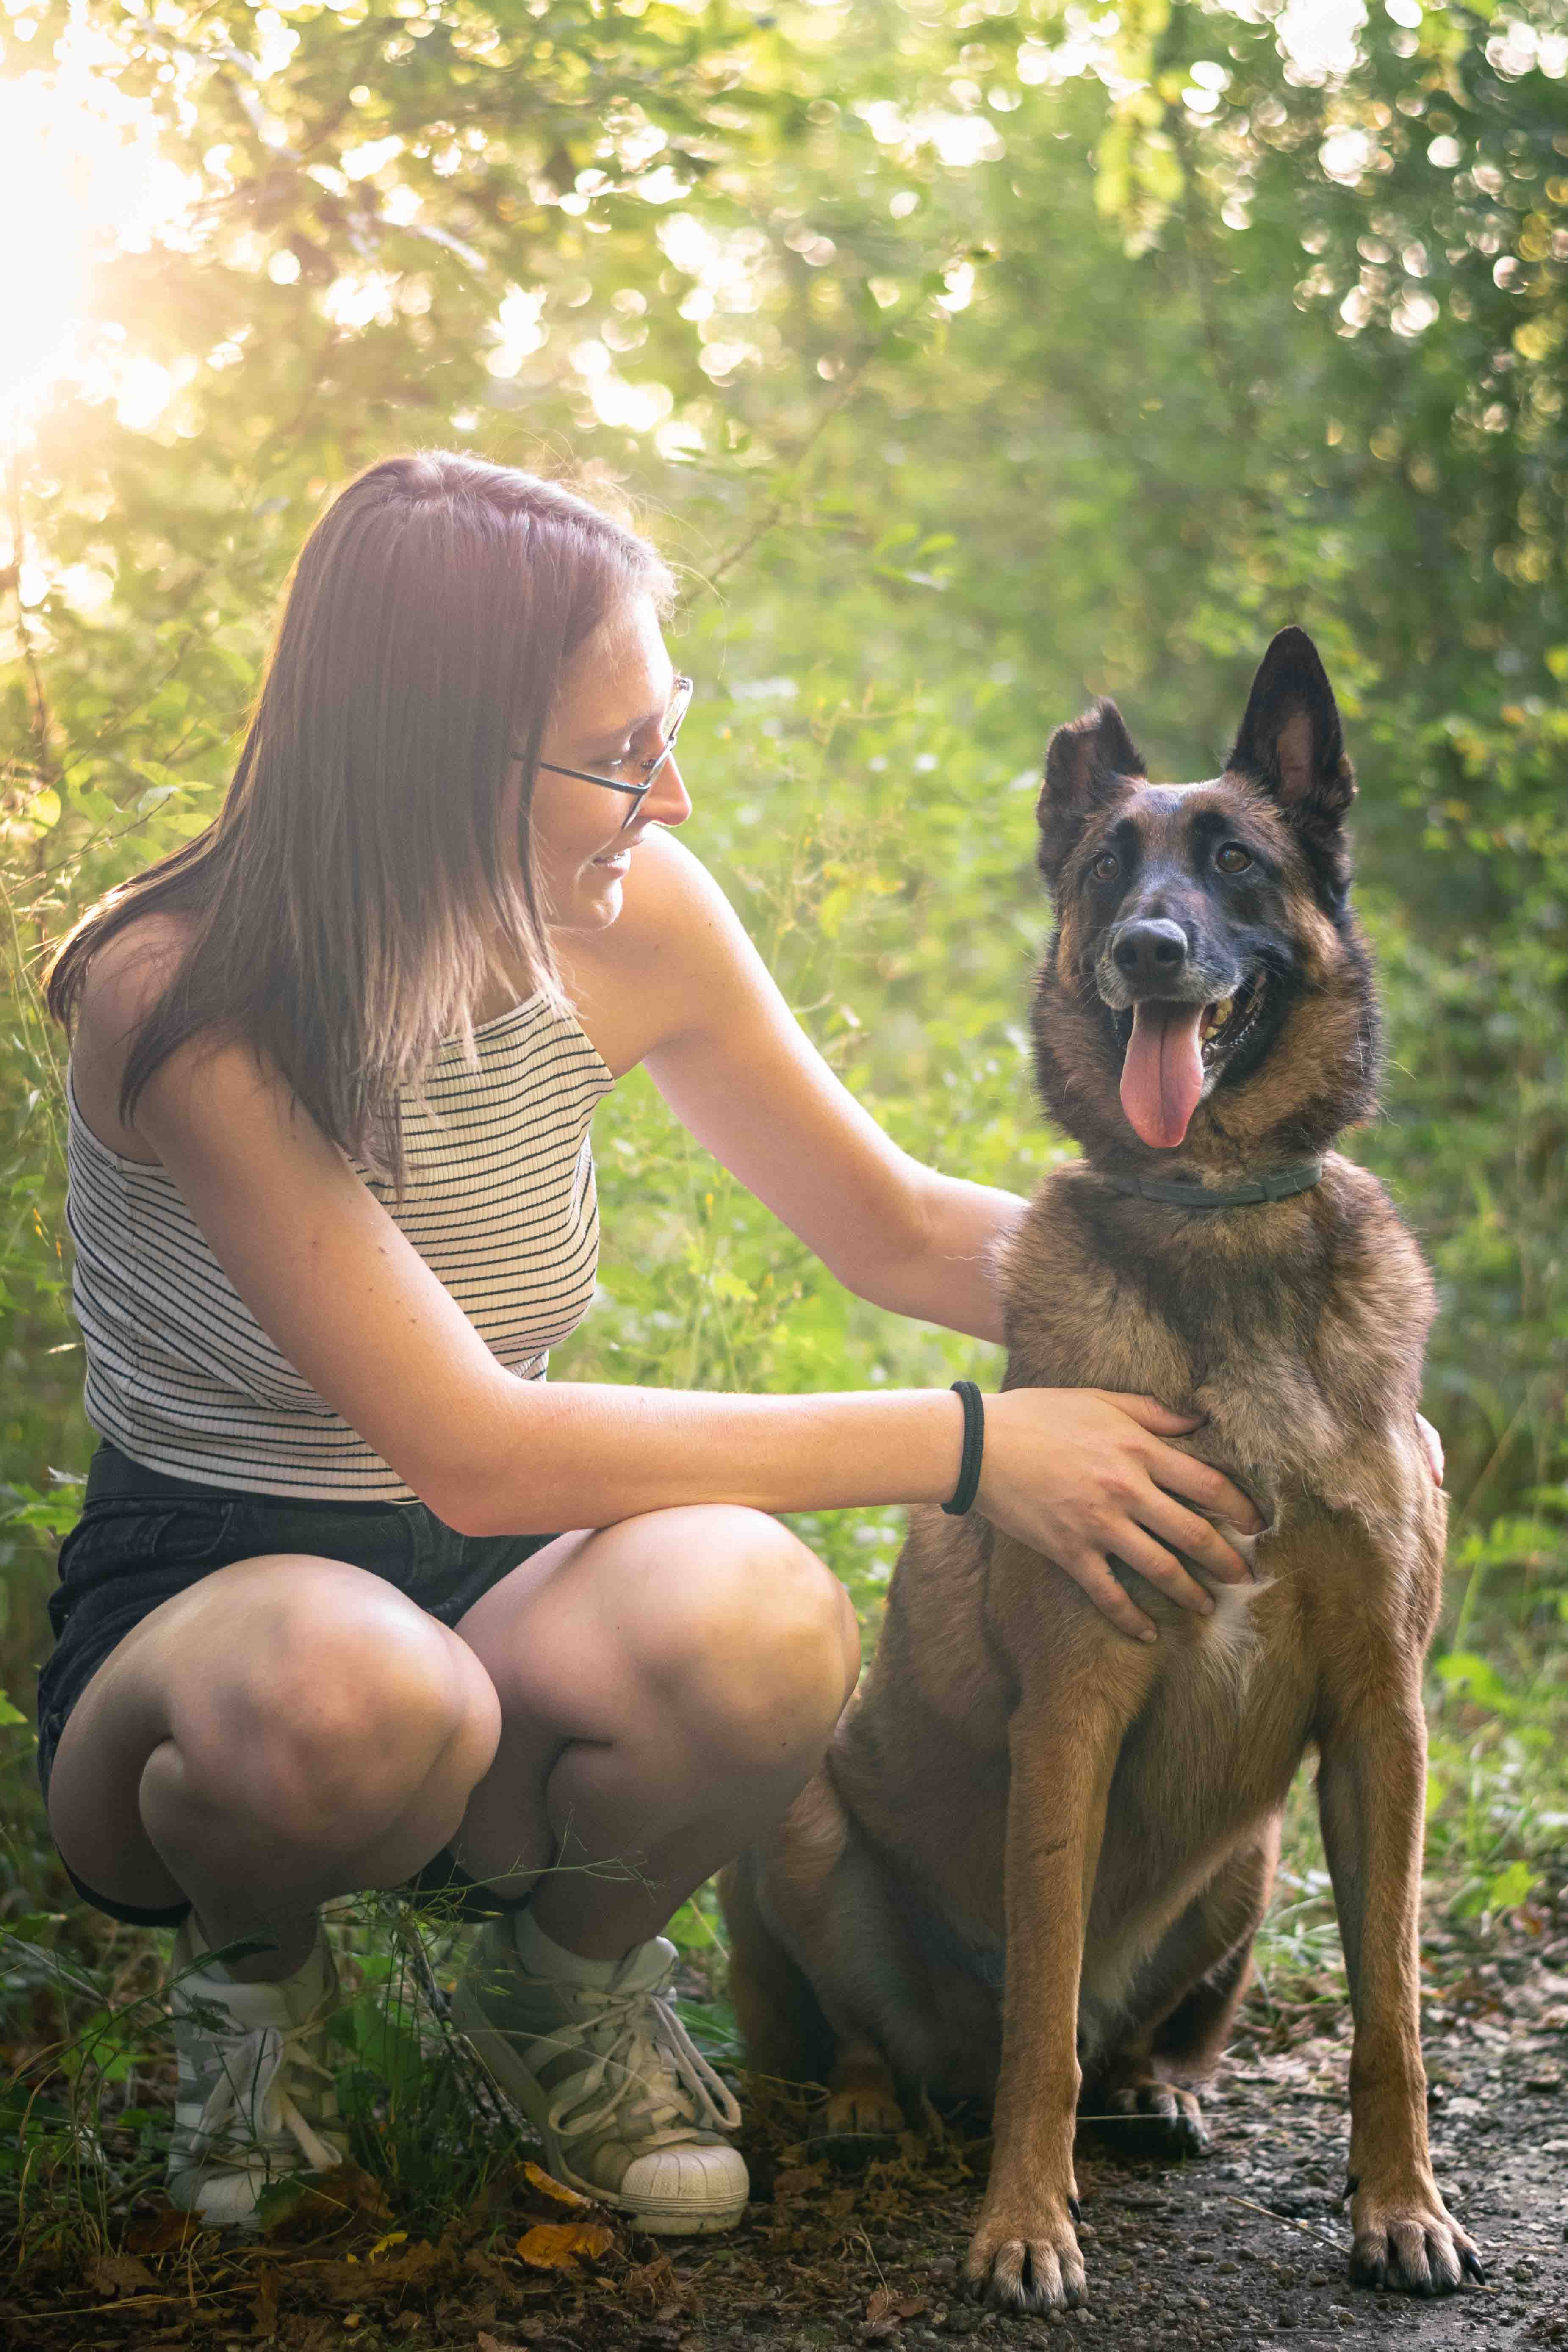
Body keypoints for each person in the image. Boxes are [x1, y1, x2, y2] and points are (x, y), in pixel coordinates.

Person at [36, 451, 1276, 2237]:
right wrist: (973, 1446)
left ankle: (559, 1989)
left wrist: (1251, 1303)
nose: (672, 798)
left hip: (500, 1580)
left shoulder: (630, 919)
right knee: (354, 1691)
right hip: (210, 1608)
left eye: (663, 730)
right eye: (621, 756)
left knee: (762, 1613)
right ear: (437, 760)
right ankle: (258, 1990)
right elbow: (463, 1440)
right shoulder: (186, 993)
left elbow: (900, 1227)